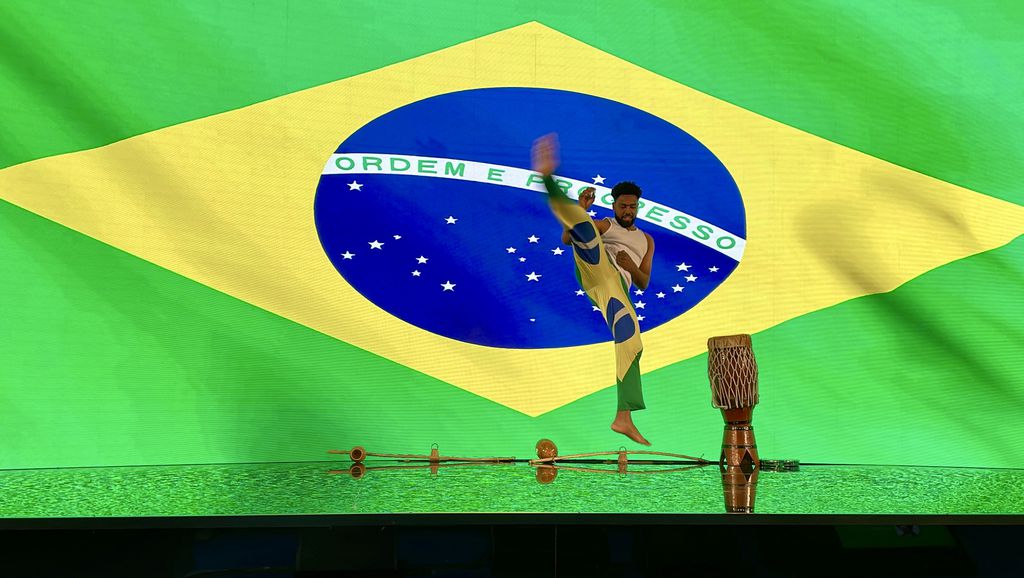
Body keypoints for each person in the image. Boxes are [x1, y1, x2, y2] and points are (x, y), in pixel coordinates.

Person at [532, 133, 654, 445]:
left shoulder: (647, 240)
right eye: (623, 205)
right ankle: (547, 177)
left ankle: (623, 417)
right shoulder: (606, 225)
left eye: (633, 206)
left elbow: (643, 282)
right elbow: (568, 238)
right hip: (596, 268)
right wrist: (581, 209)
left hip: (618, 287)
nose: (628, 209)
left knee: (632, 342)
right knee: (584, 227)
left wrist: (630, 266)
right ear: (614, 205)